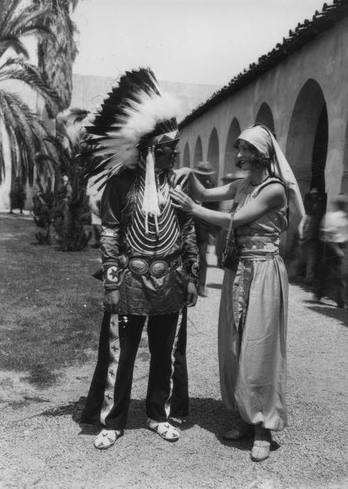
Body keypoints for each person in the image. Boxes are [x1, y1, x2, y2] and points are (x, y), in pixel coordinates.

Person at [78, 68, 199, 450]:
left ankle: (158, 414)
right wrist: (112, 282)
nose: (175, 153)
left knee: (165, 354)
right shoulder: (121, 184)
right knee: (121, 354)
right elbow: (111, 233)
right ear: (150, 150)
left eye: (175, 146)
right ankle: (112, 421)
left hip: (171, 281)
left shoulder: (176, 183)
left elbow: (189, 229)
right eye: (169, 148)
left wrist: (192, 275)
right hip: (130, 281)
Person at [171, 123, 304, 462]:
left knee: (261, 346)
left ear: (262, 154)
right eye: (239, 148)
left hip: (264, 271)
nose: (239, 154)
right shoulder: (244, 184)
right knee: (235, 344)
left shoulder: (273, 189)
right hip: (239, 271)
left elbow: (234, 219)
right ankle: (247, 415)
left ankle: (263, 427)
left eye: (245, 149)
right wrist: (188, 174)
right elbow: (204, 193)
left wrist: (192, 209)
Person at [313, 193, 348, 310]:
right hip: (332, 247)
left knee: (328, 273)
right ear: (343, 205)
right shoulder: (333, 217)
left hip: (338, 247)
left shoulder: (343, 217)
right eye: (347, 204)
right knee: (341, 275)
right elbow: (327, 235)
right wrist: (338, 251)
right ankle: (341, 303)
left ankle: (319, 294)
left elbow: (343, 234)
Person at [192, 161, 220, 296]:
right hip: (189, 227)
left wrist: (214, 231)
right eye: (200, 175)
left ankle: (201, 286)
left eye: (205, 176)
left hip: (204, 230)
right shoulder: (190, 186)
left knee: (202, 257)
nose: (202, 178)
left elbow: (216, 209)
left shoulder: (212, 190)